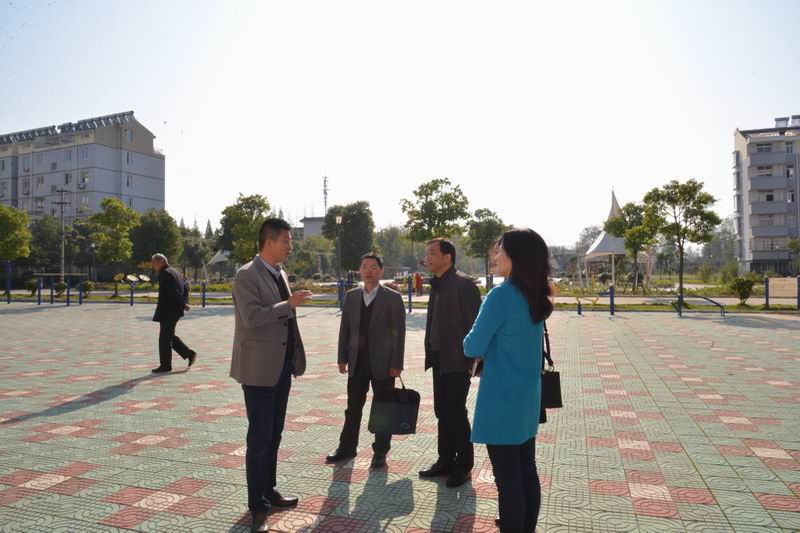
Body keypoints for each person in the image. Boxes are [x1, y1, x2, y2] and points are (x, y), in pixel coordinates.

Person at [463, 228, 553, 533]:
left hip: (501, 400)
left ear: (516, 256)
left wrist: (474, 340)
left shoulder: (501, 295)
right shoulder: (533, 293)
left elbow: (472, 346)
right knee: (526, 471)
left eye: (500, 249)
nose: (495, 255)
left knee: (508, 481)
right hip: (527, 398)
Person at [230, 218, 313, 533]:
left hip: (281, 368)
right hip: (258, 370)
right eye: (286, 241)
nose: (291, 246)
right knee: (259, 438)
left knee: (275, 434)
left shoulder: (280, 273)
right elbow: (251, 317)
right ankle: (257, 504)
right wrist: (288, 304)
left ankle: (270, 489)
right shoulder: (246, 275)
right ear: (269, 242)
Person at [325, 253, 406, 469]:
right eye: (364, 267)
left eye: (373, 267)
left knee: (383, 409)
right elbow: (345, 329)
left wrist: (397, 363)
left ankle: (380, 452)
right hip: (357, 362)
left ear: (381, 271)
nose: (368, 271)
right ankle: (346, 447)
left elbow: (399, 333)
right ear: (359, 270)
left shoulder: (392, 298)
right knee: (352, 408)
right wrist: (342, 357)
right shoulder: (351, 297)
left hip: (384, 364)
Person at [418, 238, 482, 488]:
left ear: (448, 257)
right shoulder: (437, 284)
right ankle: (445, 460)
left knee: (455, 412)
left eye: (432, 253)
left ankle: (464, 465)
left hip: (457, 361)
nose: (428, 257)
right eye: (427, 253)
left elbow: (475, 326)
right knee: (442, 412)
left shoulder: (463, 285)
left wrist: (472, 362)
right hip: (439, 358)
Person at [151, 253, 196, 373]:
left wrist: (184, 304)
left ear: (161, 261)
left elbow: (174, 292)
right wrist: (184, 303)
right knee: (168, 335)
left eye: (154, 263)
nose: (153, 266)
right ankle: (189, 354)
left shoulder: (166, 273)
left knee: (164, 338)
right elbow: (185, 287)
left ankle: (166, 365)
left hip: (169, 310)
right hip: (173, 310)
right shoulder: (174, 271)